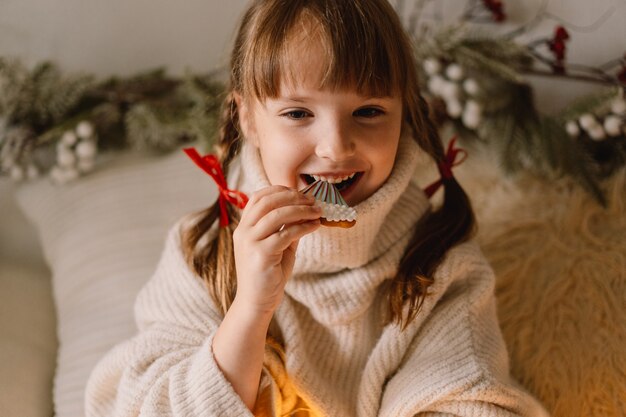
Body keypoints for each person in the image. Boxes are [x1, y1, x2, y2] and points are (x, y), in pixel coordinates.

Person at [85, 0, 550, 416]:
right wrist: (250, 307)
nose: (335, 147)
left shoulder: (441, 263)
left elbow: (470, 400)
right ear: (247, 117)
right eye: (298, 113)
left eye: (368, 111)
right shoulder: (203, 252)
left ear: (405, 114)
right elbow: (147, 406)